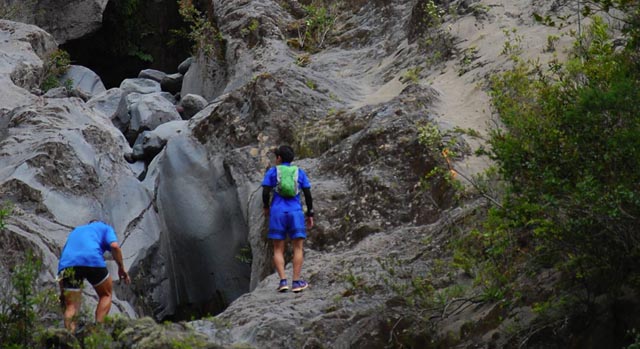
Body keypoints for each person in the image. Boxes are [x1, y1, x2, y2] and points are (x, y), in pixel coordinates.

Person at [57, 220, 131, 332]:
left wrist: (62, 291)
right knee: (105, 294)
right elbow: (115, 246)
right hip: (92, 259)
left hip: (68, 263)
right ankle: (98, 330)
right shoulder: (105, 227)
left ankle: (69, 338)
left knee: (71, 306)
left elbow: (64, 256)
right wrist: (121, 268)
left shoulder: (76, 230)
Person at [262, 145, 314, 292]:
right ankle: (296, 282)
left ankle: (283, 281)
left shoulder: (273, 172)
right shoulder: (299, 172)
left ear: (279, 158)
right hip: (295, 212)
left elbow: (265, 192)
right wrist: (310, 213)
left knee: (278, 249)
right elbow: (308, 194)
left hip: (277, 212)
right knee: (298, 247)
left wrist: (266, 207)